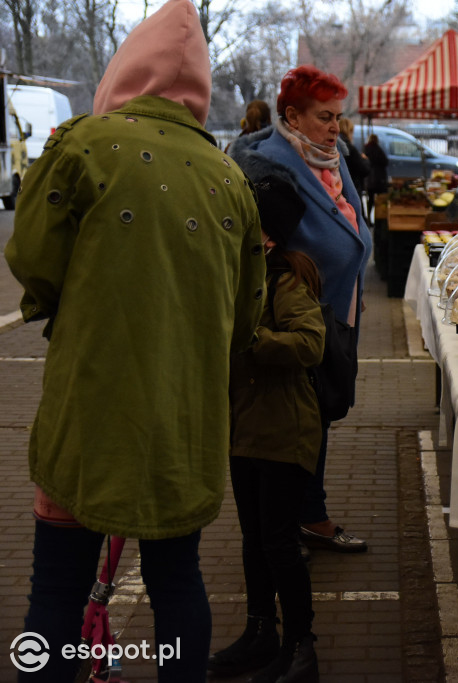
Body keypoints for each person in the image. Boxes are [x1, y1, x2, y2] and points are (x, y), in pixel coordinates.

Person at [4, 1, 266, 681]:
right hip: (183, 423)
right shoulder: (230, 178)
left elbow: (32, 254)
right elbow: (246, 313)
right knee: (178, 582)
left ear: (126, 71)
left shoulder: (83, 145)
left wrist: (71, 301)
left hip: (88, 418)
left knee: (57, 589)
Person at [230, 64, 372, 555]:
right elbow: (258, 241)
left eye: (338, 117)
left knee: (320, 414)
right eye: (324, 116)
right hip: (297, 311)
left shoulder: (330, 156)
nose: (335, 127)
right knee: (301, 418)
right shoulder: (269, 162)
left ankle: (304, 516)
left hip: (337, 306)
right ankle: (298, 520)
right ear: (292, 114)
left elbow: (348, 218)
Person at [208, 177, 325, 683]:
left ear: (266, 232)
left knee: (278, 542)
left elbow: (310, 343)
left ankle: (302, 647)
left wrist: (250, 337)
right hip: (244, 430)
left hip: (283, 430)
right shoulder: (238, 273)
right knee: (254, 540)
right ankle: (261, 634)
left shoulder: (286, 279)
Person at [338, 116, 370, 205]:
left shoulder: (337, 146)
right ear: (349, 131)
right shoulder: (349, 148)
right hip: (351, 189)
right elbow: (364, 169)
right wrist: (365, 159)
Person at [363, 133, 389, 222]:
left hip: (369, 179)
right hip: (379, 179)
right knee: (380, 200)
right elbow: (385, 162)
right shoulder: (378, 149)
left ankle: (369, 219)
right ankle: (379, 218)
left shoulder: (365, 149)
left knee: (370, 200)